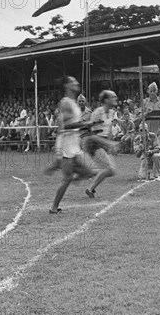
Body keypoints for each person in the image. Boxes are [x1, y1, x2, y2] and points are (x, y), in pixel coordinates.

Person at [48, 77, 94, 214]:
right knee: (67, 178)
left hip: (74, 143)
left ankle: (63, 169)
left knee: (89, 171)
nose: (77, 84)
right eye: (73, 82)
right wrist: (84, 125)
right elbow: (67, 125)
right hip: (66, 144)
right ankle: (53, 208)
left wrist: (85, 127)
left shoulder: (73, 103)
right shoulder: (66, 103)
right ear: (67, 85)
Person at [85, 90, 119, 198]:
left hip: (103, 142)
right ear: (106, 100)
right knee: (109, 169)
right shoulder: (97, 113)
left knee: (111, 170)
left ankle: (90, 178)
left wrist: (109, 143)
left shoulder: (112, 112)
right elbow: (93, 135)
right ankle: (90, 187)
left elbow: (107, 130)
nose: (115, 98)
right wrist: (109, 144)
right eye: (112, 97)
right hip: (94, 143)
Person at [143, 82, 160, 178]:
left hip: (159, 125)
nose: (153, 93)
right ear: (148, 91)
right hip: (149, 125)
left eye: (154, 91)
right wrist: (146, 113)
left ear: (157, 91)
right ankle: (148, 172)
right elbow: (140, 116)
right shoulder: (145, 102)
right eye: (151, 91)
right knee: (148, 148)